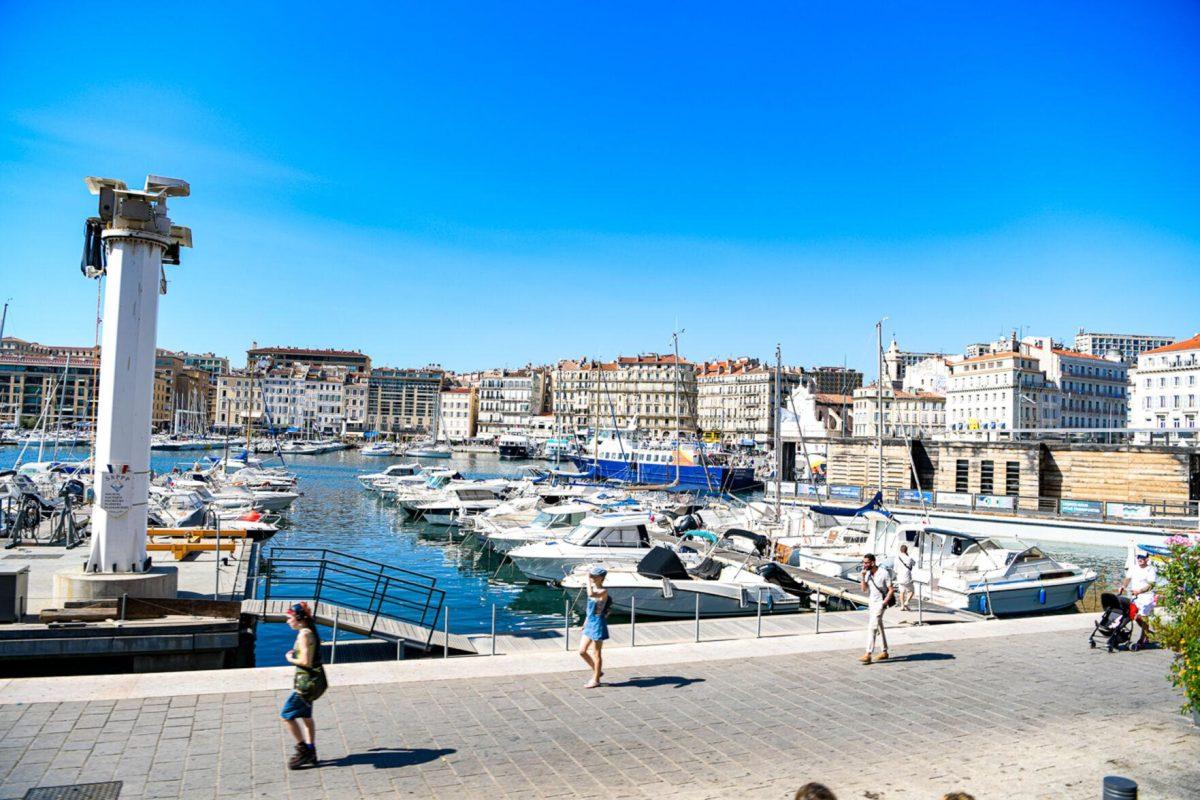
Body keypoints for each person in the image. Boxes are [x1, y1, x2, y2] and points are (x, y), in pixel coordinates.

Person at [281, 602, 327, 769]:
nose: (287, 621)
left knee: (286, 715)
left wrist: (289, 658)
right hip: (313, 681)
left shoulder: (304, 635)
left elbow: (305, 662)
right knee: (306, 718)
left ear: (299, 619)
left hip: (305, 684)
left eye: (289, 618)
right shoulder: (309, 631)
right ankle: (311, 750)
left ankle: (303, 752)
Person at [578, 565, 611, 688]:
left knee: (596, 653)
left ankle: (596, 679)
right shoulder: (595, 589)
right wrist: (585, 622)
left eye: (593, 576)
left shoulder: (603, 591)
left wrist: (587, 578)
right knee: (582, 651)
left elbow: (591, 594)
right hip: (590, 622)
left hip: (598, 624)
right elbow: (590, 609)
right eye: (591, 575)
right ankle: (598, 671)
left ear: (601, 578)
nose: (591, 577)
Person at [859, 553, 894, 664]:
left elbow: (891, 590)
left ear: (872, 562)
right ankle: (884, 651)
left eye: (866, 563)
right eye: (863, 562)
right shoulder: (867, 573)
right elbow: (864, 590)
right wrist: (863, 577)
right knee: (879, 626)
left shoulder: (884, 573)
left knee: (872, 627)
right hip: (872, 603)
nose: (864, 565)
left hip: (880, 603)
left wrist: (884, 603)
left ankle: (868, 654)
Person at [1119, 551, 1158, 647]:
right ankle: (1148, 634)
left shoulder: (1150, 570)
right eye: (1139, 557)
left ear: (1147, 559)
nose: (1140, 559)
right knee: (1134, 615)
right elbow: (1128, 578)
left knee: (1143, 617)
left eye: (1142, 557)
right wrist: (1123, 586)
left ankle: (1142, 639)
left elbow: (1151, 585)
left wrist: (1140, 591)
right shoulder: (1134, 567)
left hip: (1147, 597)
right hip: (1136, 596)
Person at [895, 544, 916, 611]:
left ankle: (902, 606)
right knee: (911, 591)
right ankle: (907, 602)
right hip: (907, 577)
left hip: (899, 577)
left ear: (900, 550)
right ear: (906, 550)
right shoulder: (909, 558)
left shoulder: (897, 558)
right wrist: (908, 555)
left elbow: (895, 569)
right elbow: (914, 563)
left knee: (902, 592)